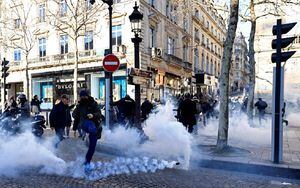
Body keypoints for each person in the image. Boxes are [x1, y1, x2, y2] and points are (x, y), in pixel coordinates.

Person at [72, 90, 102, 166]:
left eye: (84, 96)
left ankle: (87, 162)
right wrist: (74, 129)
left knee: (92, 148)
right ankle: (92, 133)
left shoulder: (93, 103)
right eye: (81, 97)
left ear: (87, 96)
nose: (82, 98)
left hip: (94, 126)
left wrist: (93, 115)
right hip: (85, 123)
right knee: (90, 125)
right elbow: (76, 117)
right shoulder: (79, 106)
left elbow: (99, 113)